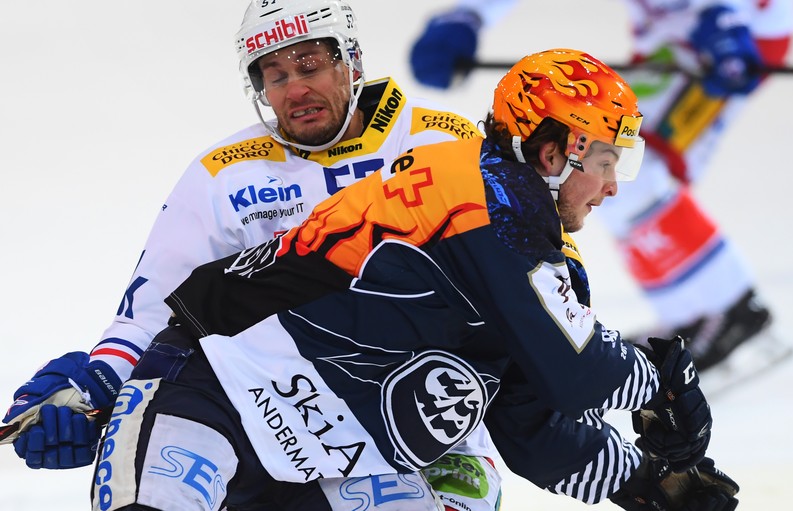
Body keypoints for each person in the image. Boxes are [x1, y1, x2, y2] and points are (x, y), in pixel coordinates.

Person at [88, 48, 738, 510]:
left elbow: (531, 424)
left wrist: (644, 481)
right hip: (208, 389)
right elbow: (577, 369)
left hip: (330, 462)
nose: (612, 185)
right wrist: (662, 373)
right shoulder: (478, 199)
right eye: (603, 160)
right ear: (553, 152)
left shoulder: (523, 242)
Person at [1, 1, 503, 509]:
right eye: (275, 75)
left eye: (309, 66)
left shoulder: (446, 142)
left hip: (424, 426)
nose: (294, 89)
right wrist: (90, 388)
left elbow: (532, 271)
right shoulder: (224, 174)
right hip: (266, 421)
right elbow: (153, 311)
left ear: (350, 61)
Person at [409, 0, 793, 385]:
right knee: (614, 166)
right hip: (673, 30)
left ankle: (732, 311)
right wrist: (469, 15)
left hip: (735, 31)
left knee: (619, 169)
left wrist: (727, 13)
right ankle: (698, 312)